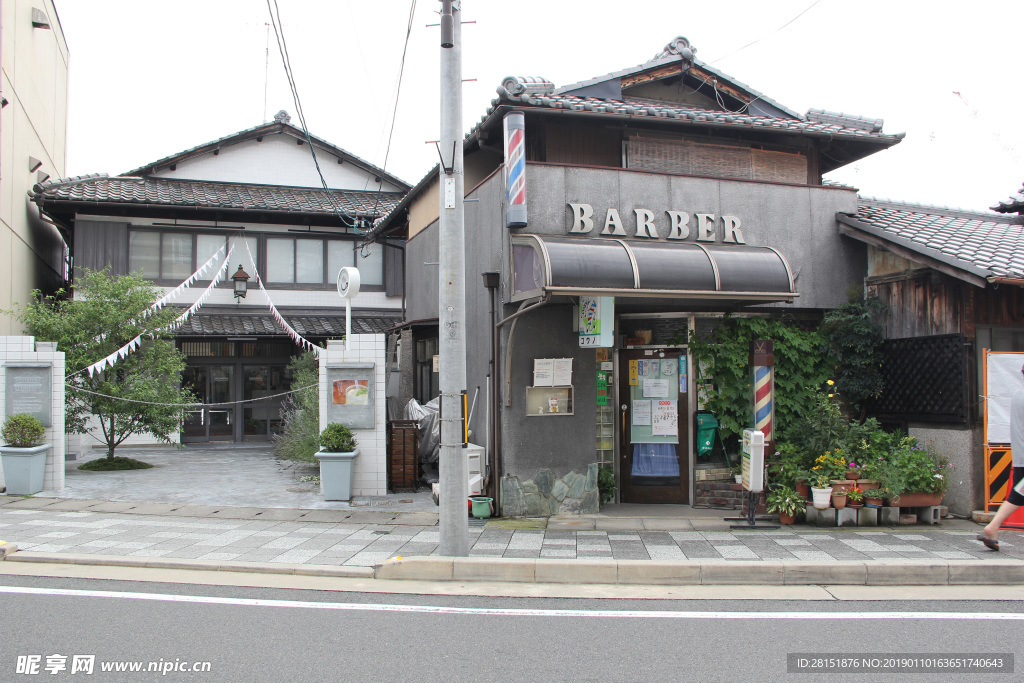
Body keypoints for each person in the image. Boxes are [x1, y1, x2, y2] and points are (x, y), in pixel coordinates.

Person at [979, 362, 1024, 550]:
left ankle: (992, 527)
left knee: (1018, 494)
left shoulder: (1018, 394)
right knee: (1018, 495)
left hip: (1021, 455)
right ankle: (992, 527)